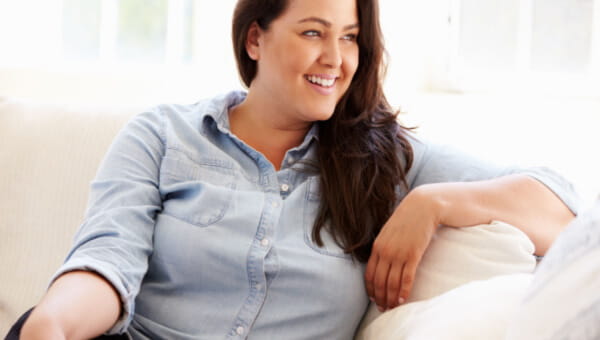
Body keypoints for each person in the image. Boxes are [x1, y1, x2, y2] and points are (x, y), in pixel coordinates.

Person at [9, 0, 578, 339]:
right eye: (313, 32)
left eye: (350, 37)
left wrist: (432, 203)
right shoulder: (164, 135)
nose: (336, 58)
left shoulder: (384, 159)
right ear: (255, 38)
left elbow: (562, 210)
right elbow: (107, 259)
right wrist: (54, 325)